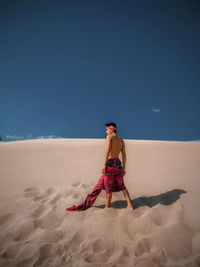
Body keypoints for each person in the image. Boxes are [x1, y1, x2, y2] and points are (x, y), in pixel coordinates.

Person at [66, 122, 134, 211]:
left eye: (107, 129)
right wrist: (124, 168)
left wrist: (104, 164)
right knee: (122, 186)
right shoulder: (121, 140)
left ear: (112, 129)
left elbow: (107, 150)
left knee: (108, 186)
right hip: (118, 164)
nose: (106, 132)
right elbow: (124, 155)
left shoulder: (110, 137)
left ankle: (107, 207)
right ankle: (129, 205)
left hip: (110, 163)